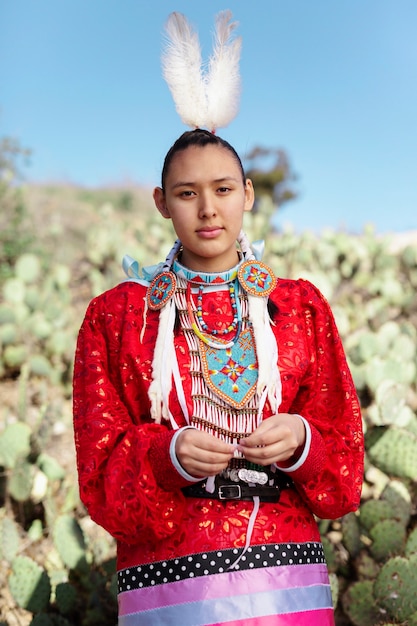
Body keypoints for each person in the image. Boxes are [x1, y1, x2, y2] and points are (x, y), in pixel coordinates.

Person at [73, 12, 364, 626]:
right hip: (168, 584)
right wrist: (166, 455)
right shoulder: (117, 317)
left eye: (224, 190)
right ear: (161, 203)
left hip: (288, 579)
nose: (208, 209)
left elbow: (344, 465)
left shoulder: (300, 307)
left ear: (248, 194)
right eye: (186, 193)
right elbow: (98, 477)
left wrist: (303, 442)